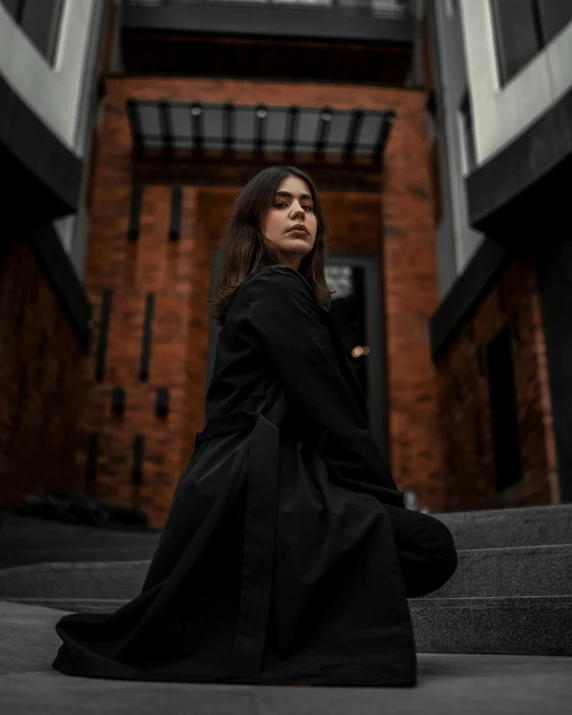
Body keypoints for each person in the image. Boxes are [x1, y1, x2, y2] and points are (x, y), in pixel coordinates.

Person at [52, 165, 457, 687]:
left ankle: (279, 632)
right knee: (429, 547)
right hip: (251, 484)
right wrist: (381, 497)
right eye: (282, 202)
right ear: (254, 223)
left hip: (243, 483)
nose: (298, 213)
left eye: (308, 206)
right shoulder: (276, 287)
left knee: (415, 546)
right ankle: (294, 636)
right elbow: (330, 407)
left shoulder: (275, 292)